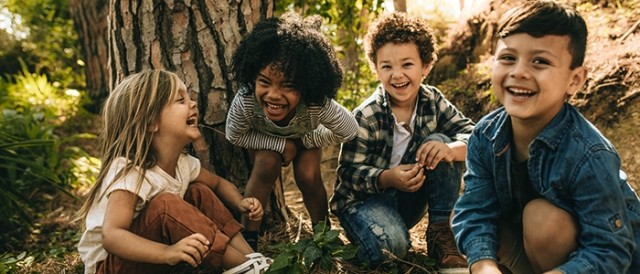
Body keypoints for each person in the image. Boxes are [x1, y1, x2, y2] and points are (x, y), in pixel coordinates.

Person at [451, 1, 640, 273]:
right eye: (508, 58)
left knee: (542, 218)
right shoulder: (485, 135)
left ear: (574, 80)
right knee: (475, 220)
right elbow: (475, 210)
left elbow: (610, 249)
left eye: (540, 61)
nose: (519, 72)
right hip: (532, 249)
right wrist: (483, 266)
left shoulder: (590, 153)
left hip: (605, 264)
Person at [76, 70, 270, 274]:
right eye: (180, 100)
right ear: (151, 122)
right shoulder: (131, 171)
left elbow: (218, 184)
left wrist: (239, 202)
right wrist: (167, 253)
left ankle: (252, 260)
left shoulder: (184, 164)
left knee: (199, 192)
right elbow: (112, 236)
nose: (193, 103)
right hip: (112, 267)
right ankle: (243, 268)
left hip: (149, 260)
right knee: (165, 204)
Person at [330, 12, 475, 273]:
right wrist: (387, 178)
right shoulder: (367, 115)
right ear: (375, 68)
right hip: (363, 203)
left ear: (426, 66)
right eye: (387, 66)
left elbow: (476, 137)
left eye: (407, 64)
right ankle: (382, 237)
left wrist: (451, 150)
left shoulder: (433, 100)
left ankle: (441, 233)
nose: (397, 75)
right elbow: (349, 174)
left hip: (408, 200)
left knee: (440, 142)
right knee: (392, 250)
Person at [225, 12, 358, 251]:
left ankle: (324, 236)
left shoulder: (316, 104)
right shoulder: (246, 100)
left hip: (305, 138)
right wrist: (280, 145)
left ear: (306, 87)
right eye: (264, 82)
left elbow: (348, 129)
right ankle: (249, 241)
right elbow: (234, 134)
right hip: (265, 140)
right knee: (266, 164)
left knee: (308, 175)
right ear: (253, 76)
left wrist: (307, 140)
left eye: (288, 86)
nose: (274, 94)